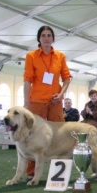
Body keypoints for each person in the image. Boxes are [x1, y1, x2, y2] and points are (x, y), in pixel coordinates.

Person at [23, 25, 72, 181]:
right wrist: (26, 103)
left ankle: (57, 171)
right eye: (43, 35)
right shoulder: (31, 56)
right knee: (33, 136)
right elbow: (27, 80)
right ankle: (31, 172)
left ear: (53, 38)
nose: (46, 38)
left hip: (55, 102)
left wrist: (62, 94)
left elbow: (67, 78)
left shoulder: (60, 56)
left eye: (49, 35)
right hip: (36, 102)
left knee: (59, 135)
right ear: (39, 38)